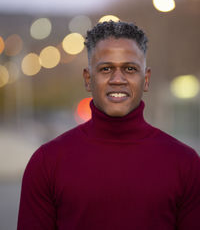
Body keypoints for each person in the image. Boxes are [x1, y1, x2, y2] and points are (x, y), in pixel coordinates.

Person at [17, 21, 200, 230]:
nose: (118, 79)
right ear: (88, 79)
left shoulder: (186, 164)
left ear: (146, 79)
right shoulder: (46, 163)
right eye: (106, 69)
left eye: (130, 69)